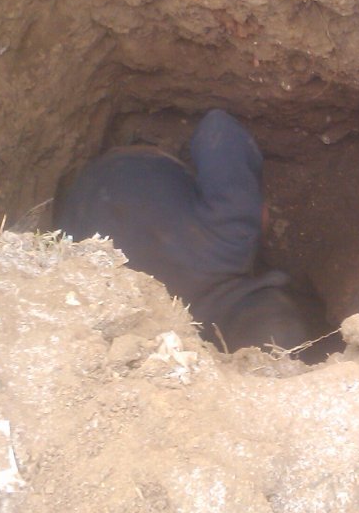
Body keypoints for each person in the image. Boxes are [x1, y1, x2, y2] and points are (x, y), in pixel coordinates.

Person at [56, 109, 309, 353]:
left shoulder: (231, 235)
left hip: (120, 174)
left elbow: (218, 126)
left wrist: (250, 203)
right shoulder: (154, 337)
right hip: (73, 222)